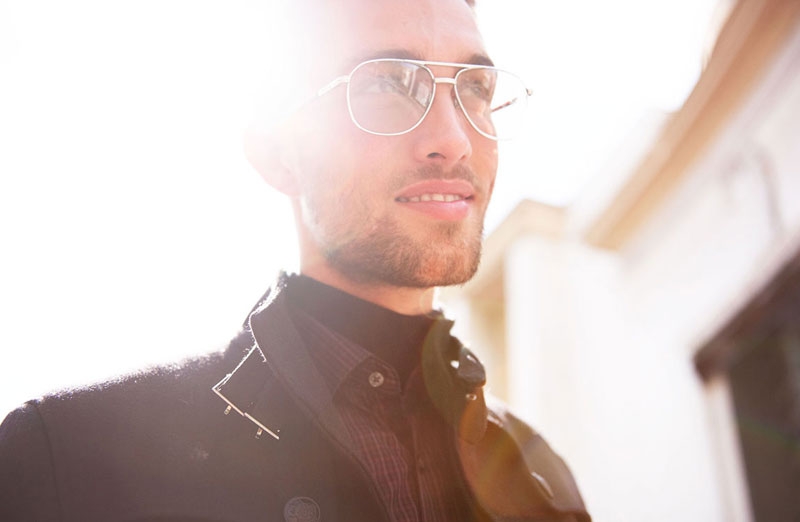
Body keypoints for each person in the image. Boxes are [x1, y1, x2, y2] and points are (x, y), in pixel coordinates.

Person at [0, 0, 590, 520]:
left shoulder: (543, 481)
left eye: (475, 88)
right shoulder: (68, 462)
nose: (454, 139)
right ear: (278, 154)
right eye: (387, 83)